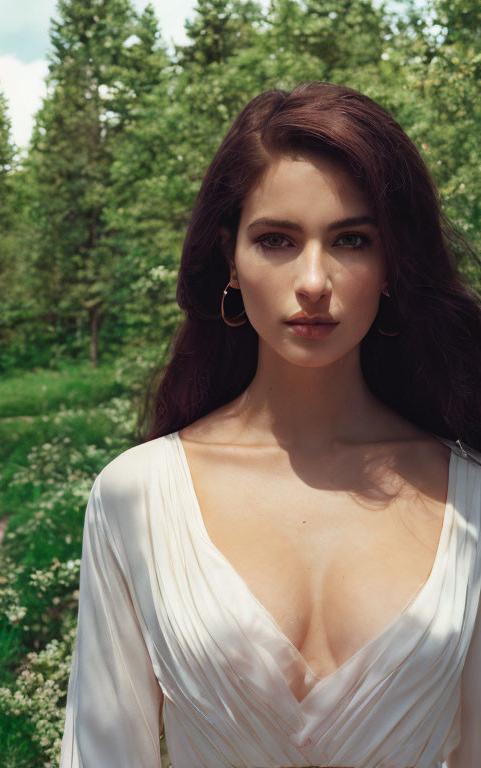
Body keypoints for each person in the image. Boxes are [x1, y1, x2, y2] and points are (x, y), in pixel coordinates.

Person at [58, 81, 481, 768]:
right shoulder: (136, 497)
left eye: (350, 239)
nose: (314, 280)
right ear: (231, 256)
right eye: (278, 240)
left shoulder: (471, 500)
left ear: (393, 262)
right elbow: (104, 754)